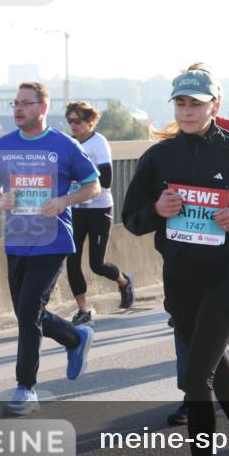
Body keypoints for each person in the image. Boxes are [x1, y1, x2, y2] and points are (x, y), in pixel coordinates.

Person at [122, 64, 229, 456]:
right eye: (181, 103)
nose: (188, 111)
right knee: (216, 372)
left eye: (197, 103)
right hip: (181, 278)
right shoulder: (158, 157)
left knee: (194, 378)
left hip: (227, 275)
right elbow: (132, 218)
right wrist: (157, 208)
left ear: (215, 105)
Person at [0, 82, 100, 415]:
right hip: (16, 240)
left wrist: (64, 200)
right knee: (26, 312)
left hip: (52, 241)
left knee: (29, 308)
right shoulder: (4, 145)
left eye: (25, 103)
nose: (18, 109)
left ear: (42, 108)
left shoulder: (64, 145)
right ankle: (75, 338)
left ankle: (25, 387)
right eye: (15, 103)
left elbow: (93, 185)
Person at [63, 101, 135, 326]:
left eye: (78, 121)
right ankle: (83, 309)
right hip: (75, 209)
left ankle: (124, 281)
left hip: (99, 208)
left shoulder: (98, 143)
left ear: (90, 121)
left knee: (97, 263)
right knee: (72, 261)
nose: (73, 125)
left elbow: (106, 180)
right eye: (70, 121)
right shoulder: (69, 144)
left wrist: (80, 178)